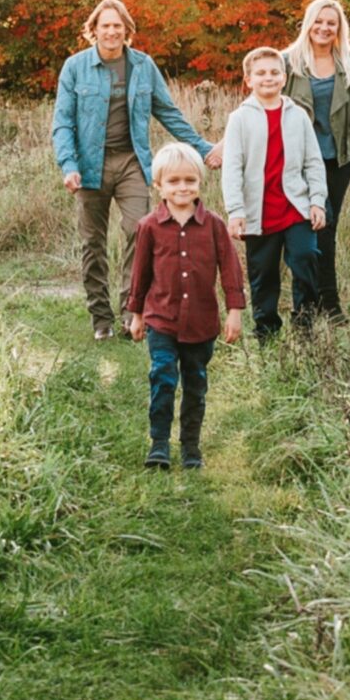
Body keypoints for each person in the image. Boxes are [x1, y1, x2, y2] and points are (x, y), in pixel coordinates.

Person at [50, 0, 220, 341]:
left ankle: (132, 314)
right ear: (93, 30)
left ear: (127, 30)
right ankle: (101, 320)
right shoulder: (75, 67)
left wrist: (203, 148)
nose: (111, 31)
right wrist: (68, 165)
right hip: (88, 165)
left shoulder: (143, 66)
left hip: (131, 162)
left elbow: (168, 112)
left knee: (139, 234)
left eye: (118, 26)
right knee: (92, 243)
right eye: (105, 25)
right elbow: (62, 123)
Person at [125, 142, 245, 471]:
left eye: (190, 181)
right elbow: (140, 274)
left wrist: (234, 311)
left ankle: (191, 445)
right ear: (159, 185)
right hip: (161, 321)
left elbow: (230, 269)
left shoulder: (214, 225)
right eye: (174, 181)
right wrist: (136, 316)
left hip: (202, 324)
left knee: (196, 384)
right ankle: (159, 444)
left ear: (200, 183)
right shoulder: (149, 226)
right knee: (162, 377)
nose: (182, 187)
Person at [219, 45, 327, 343]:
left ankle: (304, 323)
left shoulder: (298, 116)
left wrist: (317, 201)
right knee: (263, 275)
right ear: (249, 80)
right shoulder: (240, 118)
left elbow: (313, 161)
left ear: (284, 77)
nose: (268, 78)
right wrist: (236, 210)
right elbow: (232, 168)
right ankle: (266, 329)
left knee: (306, 258)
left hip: (295, 206)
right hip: (258, 211)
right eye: (261, 73)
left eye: (274, 72)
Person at [280, 0, 350, 323]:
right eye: (319, 21)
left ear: (339, 29)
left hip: (338, 159)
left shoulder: (349, 63)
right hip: (298, 160)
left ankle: (319, 302)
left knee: (327, 228)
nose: (324, 28)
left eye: (331, 23)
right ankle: (323, 304)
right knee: (315, 225)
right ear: (308, 23)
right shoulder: (287, 61)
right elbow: (261, 103)